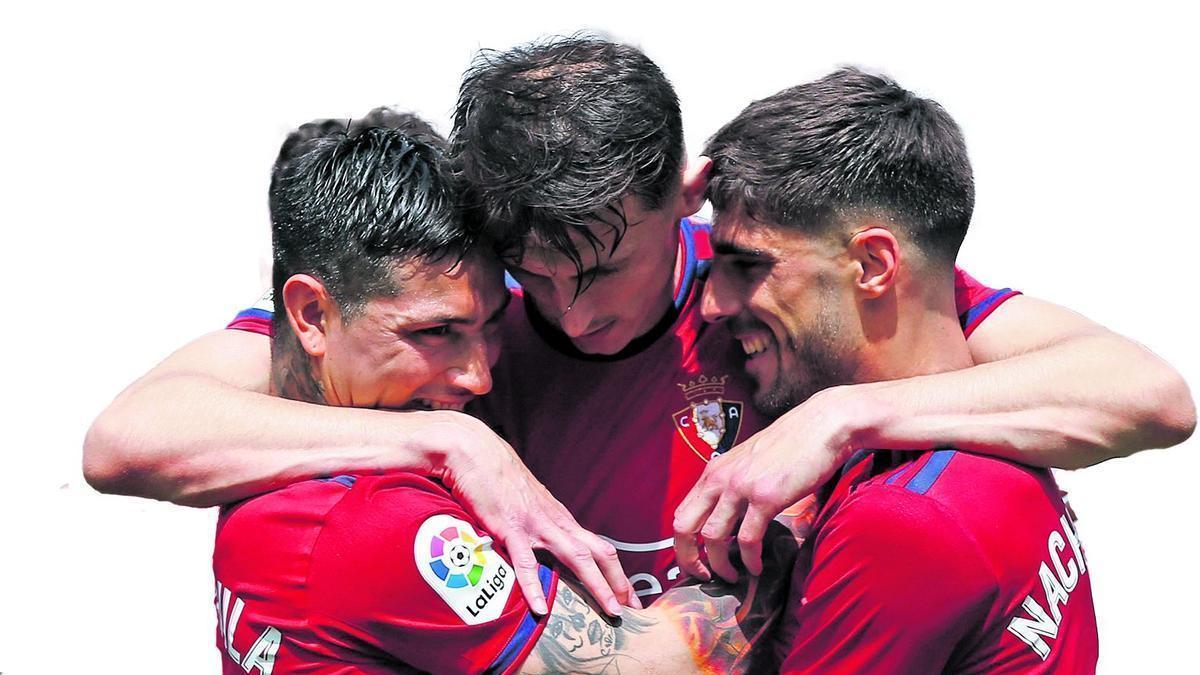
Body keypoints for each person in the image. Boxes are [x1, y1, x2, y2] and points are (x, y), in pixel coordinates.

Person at [84, 36, 1194, 613]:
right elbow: (129, 441)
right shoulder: (460, 326)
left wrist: (847, 416)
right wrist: (445, 438)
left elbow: (1148, 394)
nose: (569, 309)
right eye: (536, 273)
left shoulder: (773, 302)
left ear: (691, 192)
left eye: (605, 267)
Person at [214, 118, 795, 674]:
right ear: (312, 313)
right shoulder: (371, 523)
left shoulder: (252, 456)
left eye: (493, 325)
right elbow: (656, 665)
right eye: (435, 333)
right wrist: (791, 519)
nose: (479, 379)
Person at [700, 67, 1098, 672]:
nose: (713, 305)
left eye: (748, 266)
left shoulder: (903, 518)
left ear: (873, 264)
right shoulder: (994, 434)